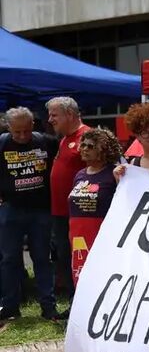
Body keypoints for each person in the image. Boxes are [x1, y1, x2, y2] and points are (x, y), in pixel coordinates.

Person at [0, 107, 58, 323]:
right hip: (10, 209)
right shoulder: (2, 143)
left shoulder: (47, 142)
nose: (23, 136)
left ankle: (48, 307)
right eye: (17, 132)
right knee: (9, 259)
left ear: (33, 125)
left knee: (43, 258)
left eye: (26, 130)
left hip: (40, 210)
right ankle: (10, 306)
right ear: (9, 128)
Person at [46, 96, 90, 300]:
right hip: (61, 213)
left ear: (70, 114)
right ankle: (73, 301)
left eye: (54, 115)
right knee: (65, 258)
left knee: (80, 258)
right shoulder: (64, 139)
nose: (50, 119)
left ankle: (81, 302)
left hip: (80, 214)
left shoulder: (87, 137)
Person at [68, 129, 121, 287]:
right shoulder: (79, 175)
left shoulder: (114, 173)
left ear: (104, 150)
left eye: (90, 146)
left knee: (101, 274)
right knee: (80, 273)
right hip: (78, 233)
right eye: (82, 145)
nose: (84, 149)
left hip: (101, 232)